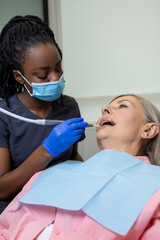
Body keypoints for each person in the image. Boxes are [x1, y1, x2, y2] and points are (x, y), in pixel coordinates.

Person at [0, 94, 160, 240]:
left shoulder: (155, 186)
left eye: (123, 106)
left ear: (149, 130)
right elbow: (4, 229)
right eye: (106, 107)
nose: (104, 109)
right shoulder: (49, 174)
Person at [0, 15, 87, 213]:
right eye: (42, 74)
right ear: (18, 76)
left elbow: (73, 157)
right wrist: (46, 151)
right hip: (16, 212)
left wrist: (88, 176)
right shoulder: (4, 114)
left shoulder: (69, 106)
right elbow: (2, 189)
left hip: (60, 207)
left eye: (59, 68)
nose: (55, 78)